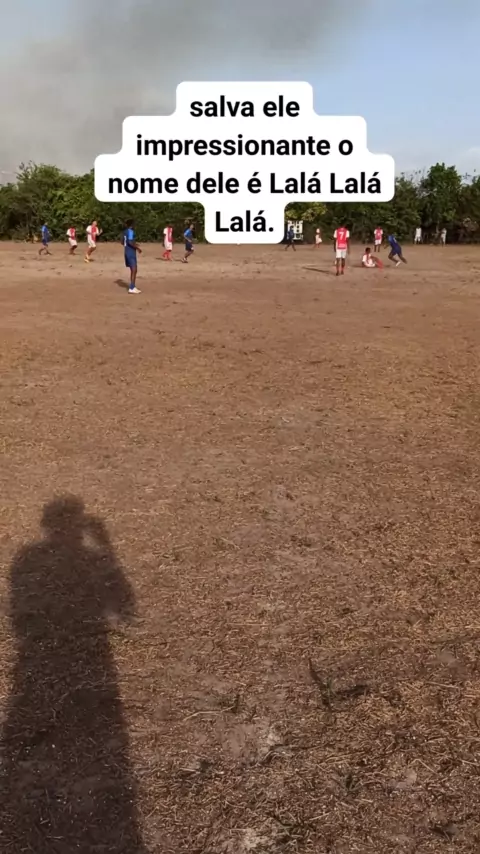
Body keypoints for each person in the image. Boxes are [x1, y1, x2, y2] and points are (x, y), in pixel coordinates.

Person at [123, 219, 142, 294]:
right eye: (134, 224)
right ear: (131, 225)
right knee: (134, 269)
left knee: (133, 269)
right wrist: (137, 248)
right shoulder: (130, 231)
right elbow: (130, 242)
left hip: (126, 251)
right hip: (131, 252)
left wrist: (134, 243)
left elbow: (122, 241)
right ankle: (132, 288)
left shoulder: (125, 231)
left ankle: (132, 286)